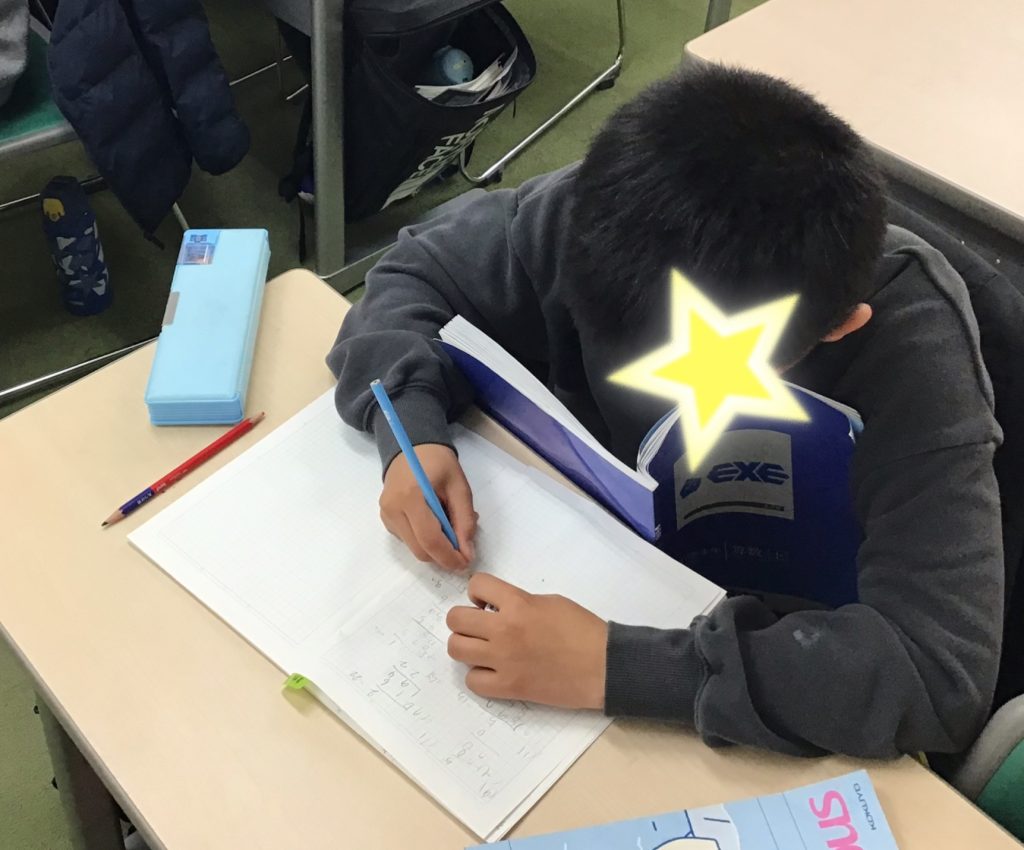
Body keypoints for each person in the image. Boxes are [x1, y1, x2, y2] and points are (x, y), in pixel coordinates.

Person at [327, 63, 1003, 759]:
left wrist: (614, 669)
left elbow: (936, 671)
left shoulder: (913, 347)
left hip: (791, 623)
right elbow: (410, 277)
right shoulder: (595, 218)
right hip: (627, 563)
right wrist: (412, 429)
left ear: (840, 327)